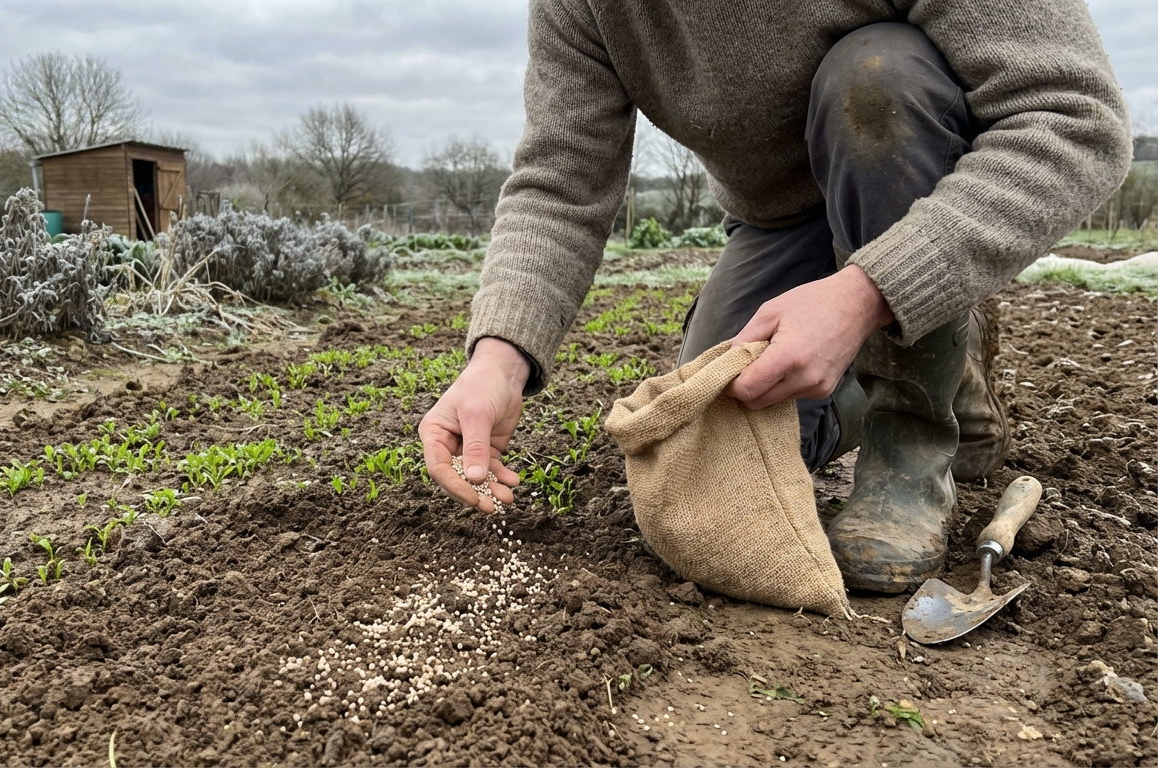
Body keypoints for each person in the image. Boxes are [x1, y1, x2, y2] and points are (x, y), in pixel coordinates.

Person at [420, 1, 1131, 594]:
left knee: (877, 73)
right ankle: (941, 352)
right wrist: (498, 358)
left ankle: (911, 438)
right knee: (709, 440)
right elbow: (561, 182)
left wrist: (867, 292)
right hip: (778, 218)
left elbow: (1075, 118)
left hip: (922, 175)